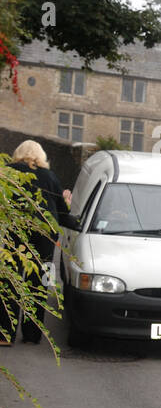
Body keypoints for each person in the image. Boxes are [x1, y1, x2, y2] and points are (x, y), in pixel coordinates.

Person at [2, 140, 76, 346]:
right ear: (41, 156)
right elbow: (61, 212)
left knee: (11, 280)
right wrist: (70, 209)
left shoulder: (8, 172)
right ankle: (32, 334)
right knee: (39, 283)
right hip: (45, 235)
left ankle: (5, 334)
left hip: (17, 231)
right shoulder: (49, 177)